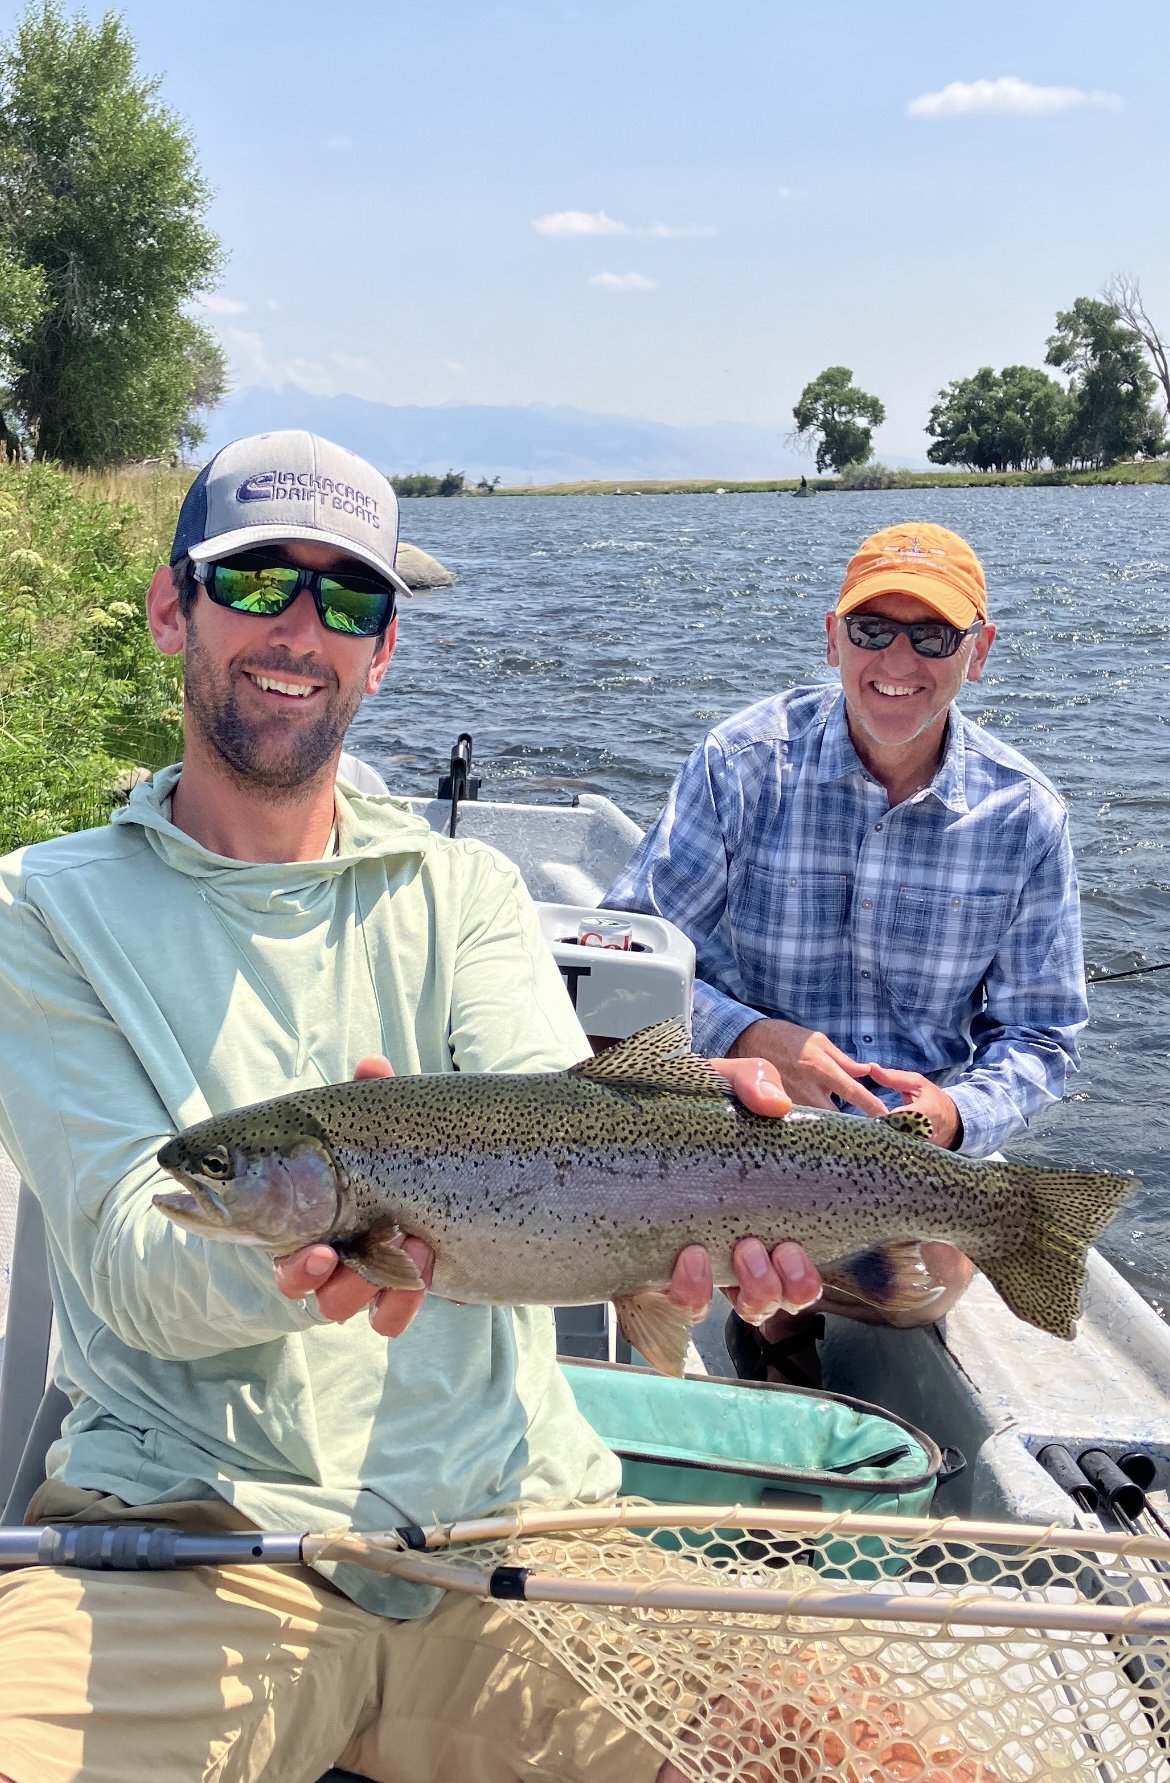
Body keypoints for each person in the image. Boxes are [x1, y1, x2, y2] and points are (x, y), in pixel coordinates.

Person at [0, 429, 822, 1783]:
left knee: (870, 1743)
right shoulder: (43, 909)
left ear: (382, 650)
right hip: (191, 1539)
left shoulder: (470, 892)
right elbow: (126, 1264)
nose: (302, 628)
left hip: (514, 1532)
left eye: (351, 598)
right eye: (259, 581)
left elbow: (567, 1126)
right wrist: (290, 1265)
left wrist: (704, 1189)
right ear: (171, 609)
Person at [605, 521, 1088, 1383]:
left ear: (977, 653)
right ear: (834, 637)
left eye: (932, 635)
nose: (897, 658)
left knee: (927, 1282)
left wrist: (955, 1113)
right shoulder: (740, 763)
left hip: (907, 1148)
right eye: (873, 629)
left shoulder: (1027, 818)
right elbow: (623, 962)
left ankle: (786, 1302)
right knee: (610, 1209)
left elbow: (1042, 1036)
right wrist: (752, 1039)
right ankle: (776, 1331)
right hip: (737, 1126)